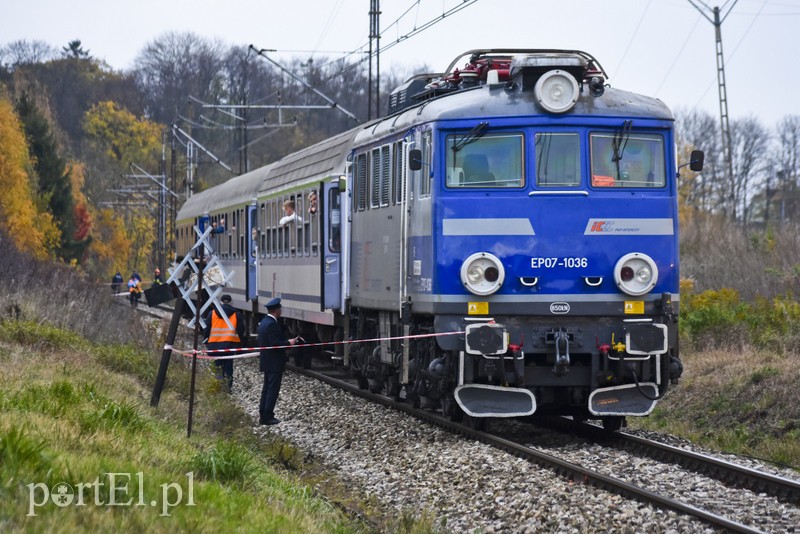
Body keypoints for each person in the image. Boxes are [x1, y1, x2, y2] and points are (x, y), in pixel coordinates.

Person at [257, 298, 302, 425]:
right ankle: (268, 415)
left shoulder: (264, 322)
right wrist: (289, 342)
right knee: (272, 389)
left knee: (266, 388)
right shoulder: (272, 324)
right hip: (274, 362)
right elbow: (275, 344)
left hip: (267, 361)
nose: (281, 311)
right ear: (277, 310)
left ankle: (263, 414)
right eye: (280, 309)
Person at [203, 294, 245, 392]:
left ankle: (218, 386)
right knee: (228, 368)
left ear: (221, 302)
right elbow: (241, 330)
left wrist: (206, 341)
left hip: (215, 346)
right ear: (231, 302)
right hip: (229, 346)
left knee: (217, 367)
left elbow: (207, 330)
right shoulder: (236, 314)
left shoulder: (212, 313)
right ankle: (227, 387)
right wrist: (239, 344)